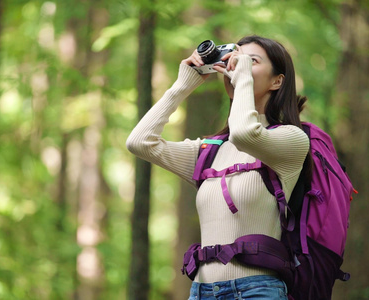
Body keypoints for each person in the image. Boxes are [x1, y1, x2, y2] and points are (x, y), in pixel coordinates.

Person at [126, 35, 309, 300]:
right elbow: (139, 142)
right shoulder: (210, 151)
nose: (236, 66)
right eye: (234, 59)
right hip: (201, 292)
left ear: (277, 81)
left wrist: (242, 75)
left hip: (256, 291)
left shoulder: (291, 139)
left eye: (251, 61)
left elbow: (245, 134)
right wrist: (183, 84)